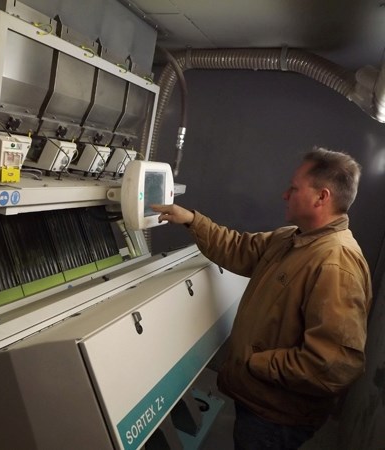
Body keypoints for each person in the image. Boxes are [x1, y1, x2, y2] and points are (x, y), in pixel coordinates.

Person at [151, 147, 372, 450]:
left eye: (294, 188)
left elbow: (335, 364)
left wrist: (256, 363)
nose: (284, 194)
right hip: (260, 400)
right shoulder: (291, 238)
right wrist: (190, 219)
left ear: (322, 197)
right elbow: (238, 248)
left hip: (277, 415)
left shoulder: (335, 264)